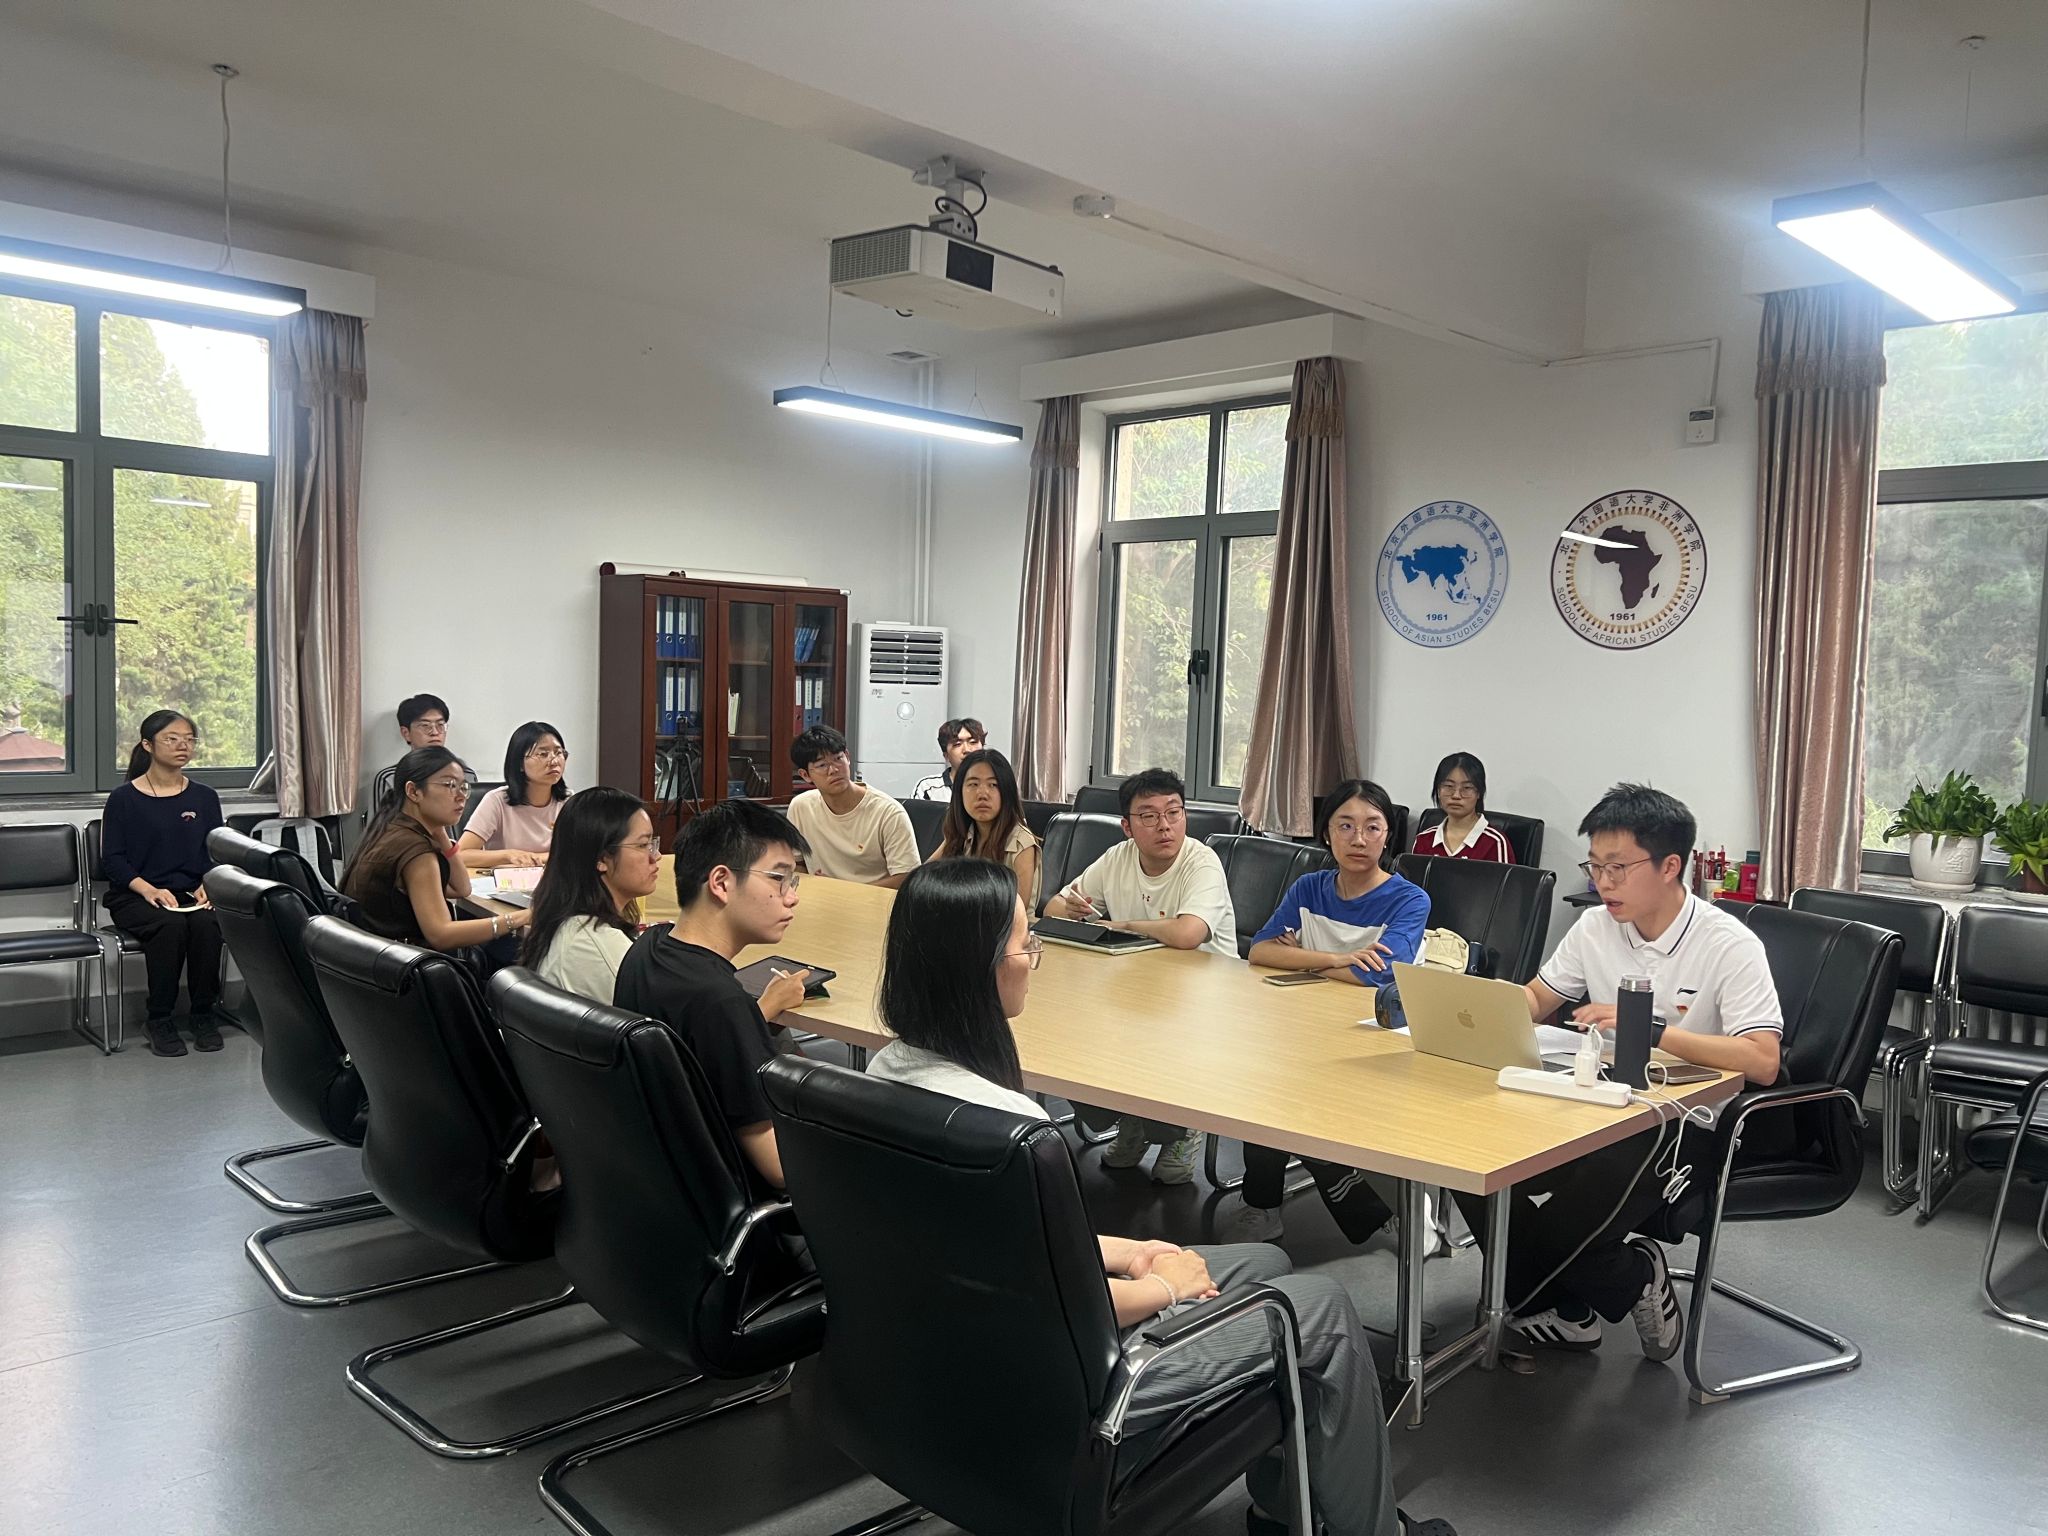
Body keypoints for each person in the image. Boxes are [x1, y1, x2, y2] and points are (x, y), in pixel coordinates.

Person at [867, 860, 1444, 1536]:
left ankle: (1290, 1506)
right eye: (1027, 944)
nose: (1034, 960)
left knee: (1264, 1263)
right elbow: (1051, 1304)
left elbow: (993, 1249)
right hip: (1066, 1387)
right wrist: (1163, 1290)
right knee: (1321, 1310)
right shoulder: (1008, 1129)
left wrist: (1135, 1251)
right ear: (980, 969)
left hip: (939, 1357)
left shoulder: (887, 1072)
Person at [1453, 783, 1782, 1363]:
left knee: (1563, 1221)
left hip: (1679, 1122)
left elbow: (1763, 1060)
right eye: (1595, 867)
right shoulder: (1595, 927)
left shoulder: (1729, 945)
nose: (1603, 883)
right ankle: (1584, 1301)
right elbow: (1539, 999)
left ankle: (1624, 1276)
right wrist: (1471, 1008)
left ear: (1669, 866)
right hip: (1591, 1102)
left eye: (1618, 868)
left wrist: (1649, 1030)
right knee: (1470, 1162)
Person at [1220, 780, 1431, 1243]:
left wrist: (1302, 957)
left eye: (1372, 827)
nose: (1359, 839)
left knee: (1295, 1099)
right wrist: (1338, 958)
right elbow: (1260, 951)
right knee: (1266, 1084)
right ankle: (1269, 1204)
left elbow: (1378, 977)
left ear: (1387, 836)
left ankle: (1387, 1204)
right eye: (1345, 826)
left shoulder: (1409, 899)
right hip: (1303, 1025)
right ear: (1327, 833)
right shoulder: (1309, 887)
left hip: (1372, 1037)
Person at [1042, 767, 1235, 1183]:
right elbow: (1054, 907)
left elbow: (1188, 933)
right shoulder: (1118, 857)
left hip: (1206, 994)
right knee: (1070, 1028)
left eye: (1173, 812)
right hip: (1137, 984)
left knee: (1162, 1031)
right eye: (1149, 816)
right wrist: (1072, 908)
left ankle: (1183, 1128)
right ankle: (1131, 1119)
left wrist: (1122, 925)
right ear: (1128, 827)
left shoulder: (1201, 861)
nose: (1165, 825)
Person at [612, 798, 814, 1194]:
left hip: (661, 1189)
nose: (792, 897)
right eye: (779, 878)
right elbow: (780, 1168)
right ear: (721, 883)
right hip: (733, 1202)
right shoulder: (720, 1002)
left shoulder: (648, 946)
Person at [100, 710, 229, 1058]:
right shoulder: (124, 798)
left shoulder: (205, 797)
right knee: (169, 926)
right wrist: (149, 890)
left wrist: (209, 882)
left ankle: (203, 1014)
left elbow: (215, 850)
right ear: (147, 744)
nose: (182, 745)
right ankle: (159, 1018)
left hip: (191, 891)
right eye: (172, 739)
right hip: (136, 895)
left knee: (207, 924)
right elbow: (113, 859)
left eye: (189, 739)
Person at [343, 746, 530, 953]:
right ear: (413, 791)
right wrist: (520, 918)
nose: (461, 796)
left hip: (374, 956)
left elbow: (462, 889)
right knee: (511, 950)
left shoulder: (393, 827)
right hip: (402, 962)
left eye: (463, 787)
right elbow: (442, 935)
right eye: (449, 785)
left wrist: (440, 832)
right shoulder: (415, 850)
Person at [523, 786, 662, 1003]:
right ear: (602, 859)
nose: (656, 856)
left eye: (652, 844)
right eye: (643, 845)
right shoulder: (596, 944)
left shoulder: (570, 920)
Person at [785, 724, 919, 888]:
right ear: (805, 775)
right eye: (822, 765)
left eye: (838, 758)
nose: (833, 770)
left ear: (847, 757)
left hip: (875, 900)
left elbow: (906, 878)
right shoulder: (801, 807)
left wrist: (845, 891)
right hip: (824, 897)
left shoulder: (888, 812)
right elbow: (797, 864)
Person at [928, 746, 1040, 909]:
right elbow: (924, 878)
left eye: (993, 785)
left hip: (1007, 924)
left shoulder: (1021, 843)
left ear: (1006, 792)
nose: (982, 794)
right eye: (973, 784)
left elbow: (1015, 913)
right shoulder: (962, 833)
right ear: (959, 792)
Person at [458, 721, 569, 870]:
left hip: (553, 881)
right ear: (520, 764)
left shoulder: (568, 801)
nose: (554, 761)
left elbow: (579, 852)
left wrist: (533, 858)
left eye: (559, 752)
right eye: (543, 754)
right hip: (507, 882)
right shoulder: (497, 801)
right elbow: (461, 854)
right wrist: (508, 855)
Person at [1411, 752, 1511, 862]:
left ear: (1479, 793)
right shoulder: (1423, 840)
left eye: (1467, 788)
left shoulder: (1494, 842)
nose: (1456, 795)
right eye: (1449, 786)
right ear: (1438, 790)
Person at [911, 716, 986, 800]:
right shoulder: (928, 788)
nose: (967, 750)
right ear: (946, 755)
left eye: (973, 742)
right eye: (957, 744)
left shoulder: (995, 784)